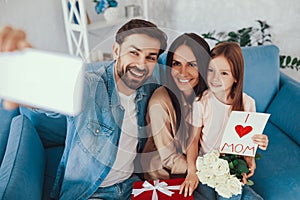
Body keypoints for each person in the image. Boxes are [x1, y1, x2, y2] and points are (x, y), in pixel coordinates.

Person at [0, 19, 167, 199]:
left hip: (131, 186)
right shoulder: (90, 86)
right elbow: (55, 92)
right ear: (116, 51)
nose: (142, 65)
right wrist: (26, 72)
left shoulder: (147, 89)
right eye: (134, 53)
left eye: (150, 57)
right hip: (91, 193)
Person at [179, 42, 269, 199]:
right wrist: (191, 172)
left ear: (236, 77)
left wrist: (251, 158)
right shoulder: (202, 102)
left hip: (231, 168)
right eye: (211, 70)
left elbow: (248, 143)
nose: (215, 78)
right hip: (206, 167)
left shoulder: (248, 103)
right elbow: (193, 141)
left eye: (224, 73)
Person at [141, 33, 210, 180]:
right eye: (176, 64)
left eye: (191, 64)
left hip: (201, 170)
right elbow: (169, 159)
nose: (182, 73)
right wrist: (210, 170)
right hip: (168, 176)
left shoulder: (208, 97)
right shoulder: (159, 103)